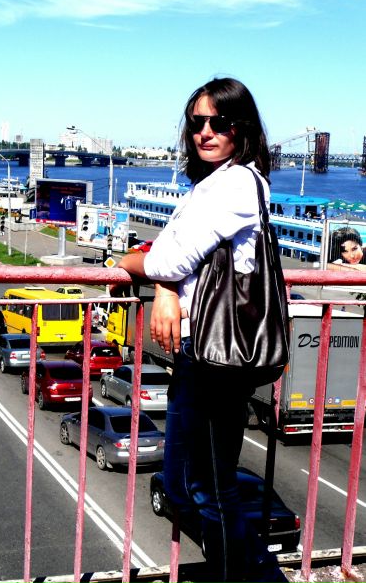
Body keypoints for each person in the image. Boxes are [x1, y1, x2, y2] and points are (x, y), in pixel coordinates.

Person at [114, 78, 288, 583]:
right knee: (183, 486)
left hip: (218, 354)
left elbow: (166, 258)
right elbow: (172, 260)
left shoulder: (237, 184)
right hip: (198, 351)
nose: (206, 132)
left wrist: (124, 261)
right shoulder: (209, 184)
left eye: (220, 122)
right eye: (197, 122)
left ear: (243, 128)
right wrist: (165, 286)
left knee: (208, 489)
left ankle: (258, 577)